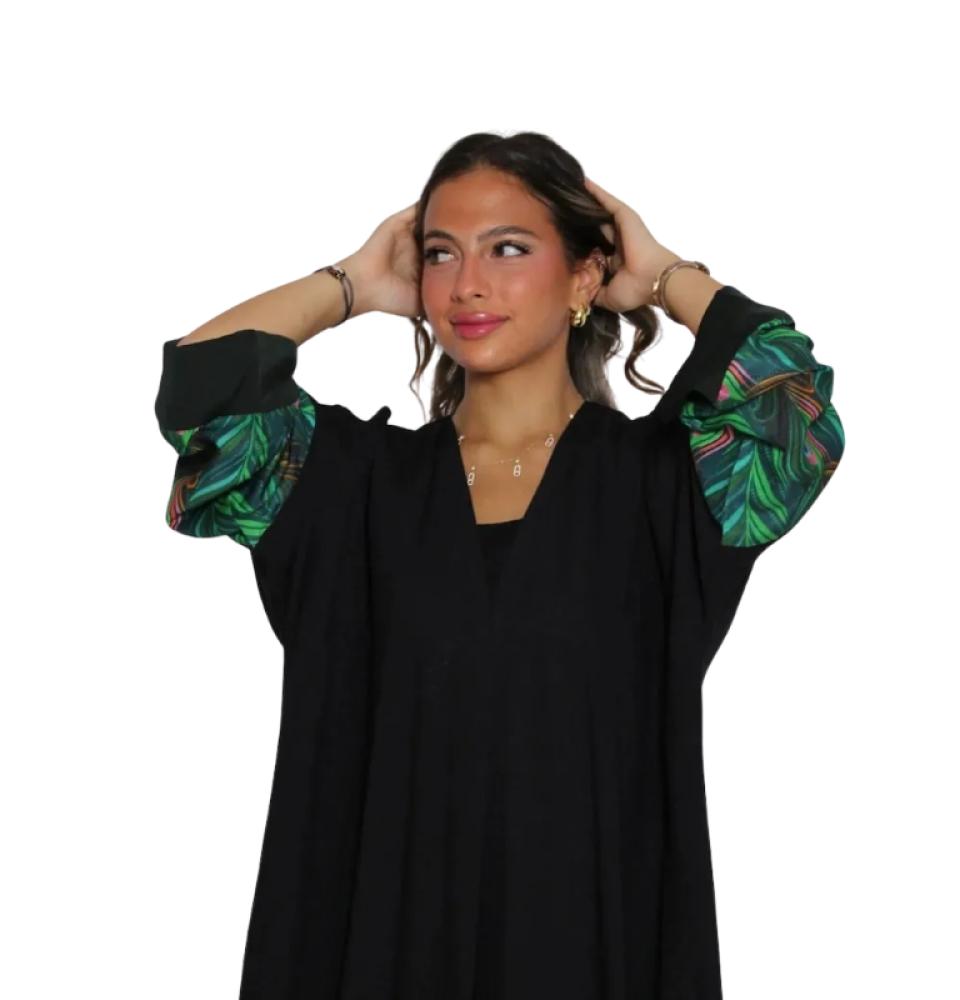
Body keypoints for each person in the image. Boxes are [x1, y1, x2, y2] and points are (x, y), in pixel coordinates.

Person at [154, 131, 845, 1000]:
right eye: (442, 254)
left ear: (586, 276)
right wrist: (354, 284)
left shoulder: (669, 488)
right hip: (376, 957)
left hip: (596, 954)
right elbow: (203, 386)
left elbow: (789, 404)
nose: (468, 284)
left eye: (509, 249)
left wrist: (666, 275)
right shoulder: (349, 488)